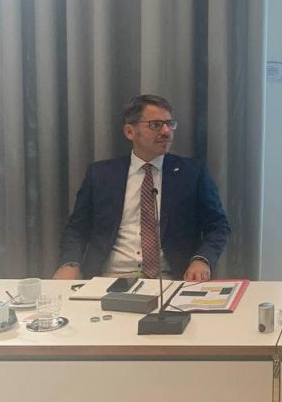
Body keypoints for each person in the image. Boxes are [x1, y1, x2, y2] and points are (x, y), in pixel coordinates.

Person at [52, 95, 230, 281]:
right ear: (130, 132)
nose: (166, 131)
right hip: (109, 278)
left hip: (170, 279)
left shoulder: (192, 173)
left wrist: (202, 260)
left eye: (170, 124)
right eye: (155, 125)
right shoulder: (100, 175)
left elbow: (218, 227)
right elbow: (77, 229)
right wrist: (69, 264)